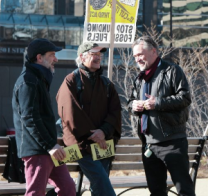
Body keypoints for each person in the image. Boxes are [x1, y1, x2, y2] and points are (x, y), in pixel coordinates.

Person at [128, 36, 195, 196]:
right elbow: (130, 102)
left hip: (172, 142)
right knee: (156, 192)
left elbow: (185, 98)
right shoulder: (139, 78)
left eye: (140, 54)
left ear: (153, 51)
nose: (137, 59)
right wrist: (134, 105)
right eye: (135, 56)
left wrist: (157, 103)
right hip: (149, 145)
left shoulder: (172, 70)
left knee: (184, 191)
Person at [12, 38, 76, 196]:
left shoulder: (38, 78)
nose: (56, 59)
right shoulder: (28, 81)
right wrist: (50, 145)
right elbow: (30, 118)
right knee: (36, 193)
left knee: (68, 188)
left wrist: (51, 146)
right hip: (38, 150)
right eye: (52, 54)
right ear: (39, 57)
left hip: (48, 149)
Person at [56, 42, 121, 196]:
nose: (98, 57)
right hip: (79, 145)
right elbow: (70, 114)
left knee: (99, 185)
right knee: (101, 180)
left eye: (100, 54)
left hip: (104, 143)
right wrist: (94, 136)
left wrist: (103, 132)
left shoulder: (107, 84)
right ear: (81, 57)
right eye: (94, 54)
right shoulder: (71, 80)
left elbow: (115, 112)